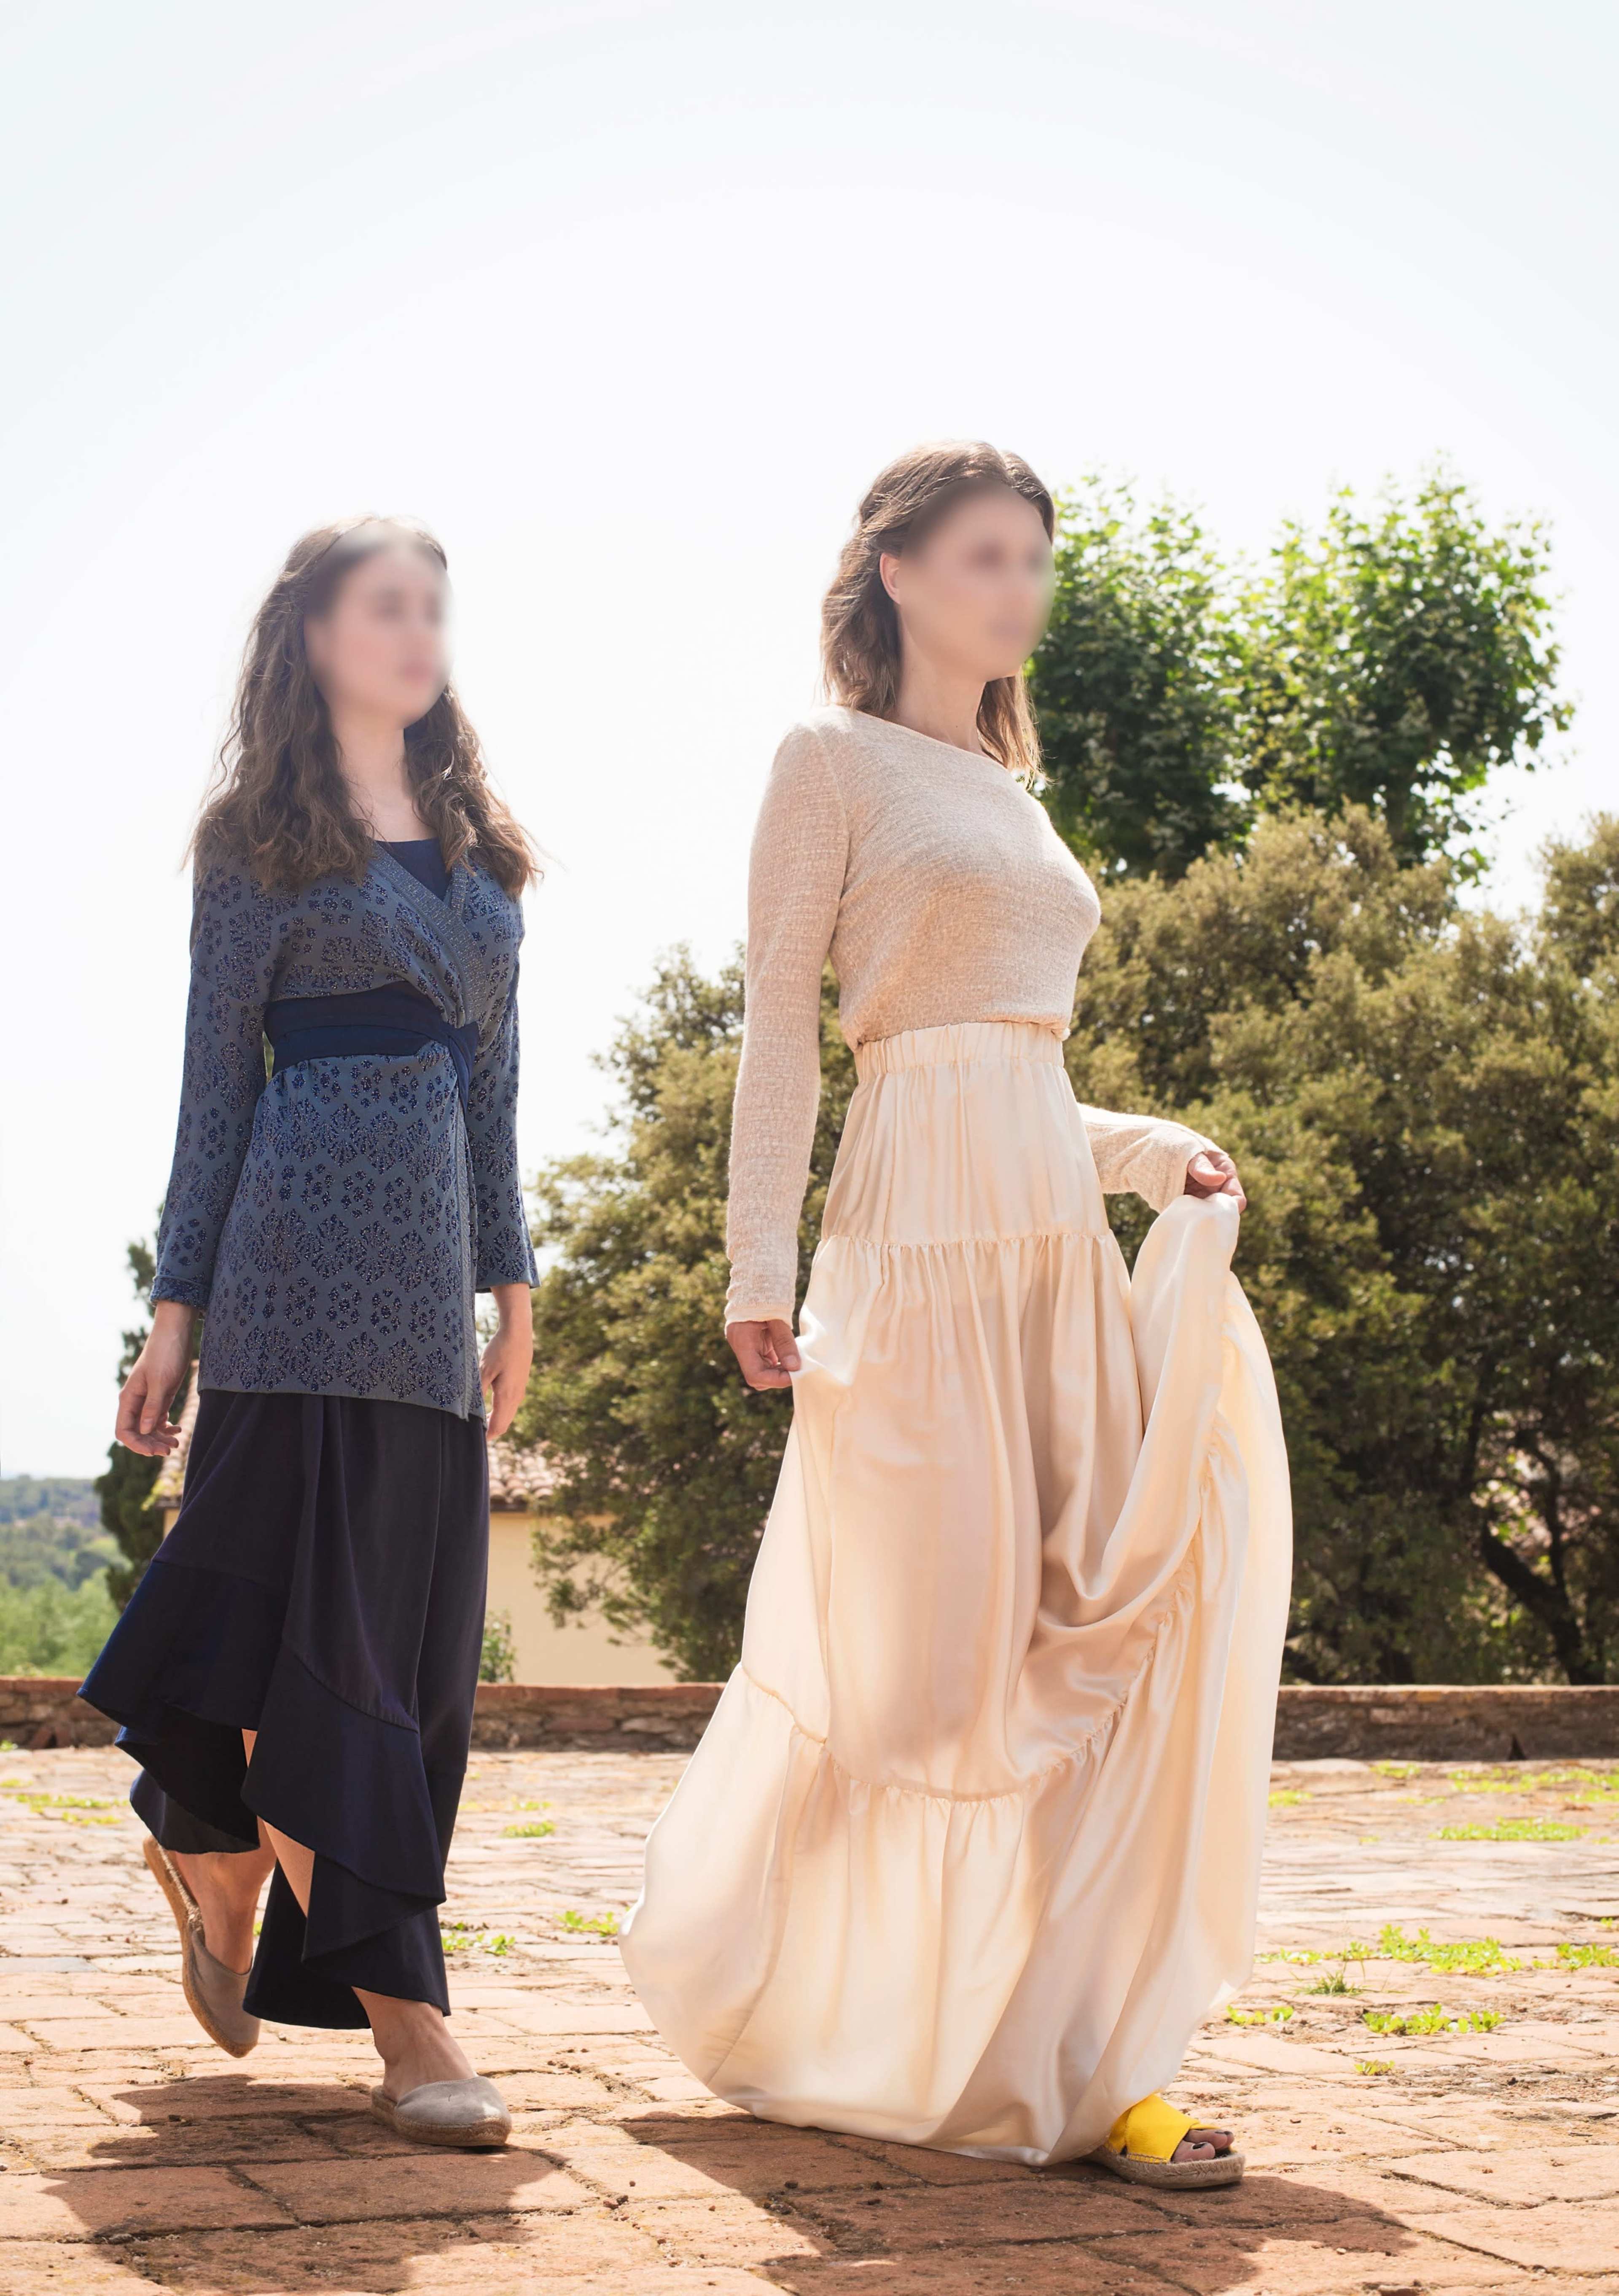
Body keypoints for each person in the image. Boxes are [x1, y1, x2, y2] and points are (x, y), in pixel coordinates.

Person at [619, 443, 1292, 2186]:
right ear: (899, 572)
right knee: (928, 1685)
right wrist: (753, 1266)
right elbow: (795, 1031)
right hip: (909, 1262)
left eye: (1036, 562)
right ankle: (802, 1999)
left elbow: (1016, 1069)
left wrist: (1148, 1152)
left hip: (1053, 1257)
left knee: (1083, 1645)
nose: (1022, 591)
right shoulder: (827, 761)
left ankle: (1095, 2068)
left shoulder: (1019, 788)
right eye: (990, 557)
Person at [80, 517, 538, 2149]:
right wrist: (173, 1319)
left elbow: (493, 1102)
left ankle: (213, 1851)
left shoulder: (486, 860)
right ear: (315, 639)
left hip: (425, 1303)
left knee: (408, 1667)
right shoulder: (253, 842)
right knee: (304, 1630)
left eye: (434, 605)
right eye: (384, 605)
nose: (418, 630)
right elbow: (216, 1096)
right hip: (285, 1276)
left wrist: (517, 1289)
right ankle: (411, 2020)